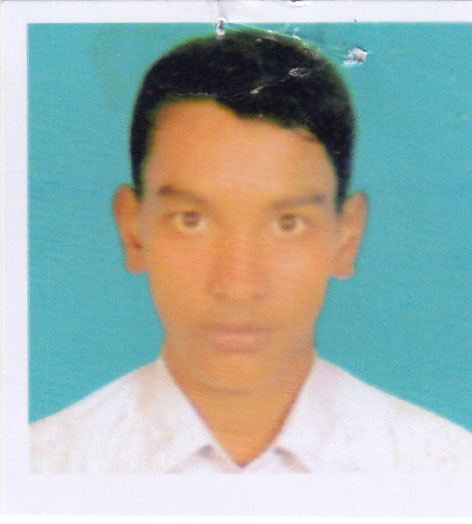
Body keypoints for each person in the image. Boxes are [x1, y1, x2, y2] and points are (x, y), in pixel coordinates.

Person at [30, 29, 472, 473]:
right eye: (191, 220)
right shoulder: (40, 467)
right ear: (132, 230)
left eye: (288, 224)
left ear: (347, 237)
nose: (238, 287)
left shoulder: (444, 469)